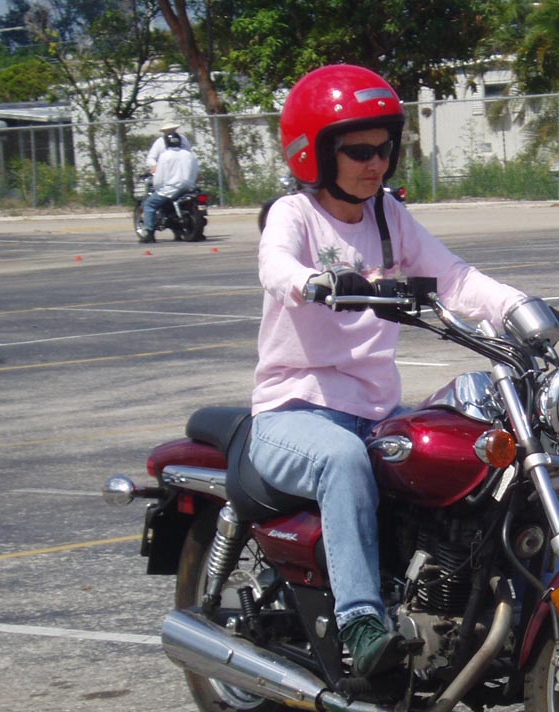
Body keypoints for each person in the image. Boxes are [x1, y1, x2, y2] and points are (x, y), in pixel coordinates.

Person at [251, 64, 528, 678]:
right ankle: (361, 624)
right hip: (292, 411)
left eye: (384, 149)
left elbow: (453, 277)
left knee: (468, 447)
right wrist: (312, 282)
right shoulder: (295, 215)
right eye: (359, 151)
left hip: (373, 410)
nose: (375, 162)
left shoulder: (388, 216)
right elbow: (275, 264)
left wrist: (519, 308)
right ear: (315, 153)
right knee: (342, 460)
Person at [138, 131, 200, 242]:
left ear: (166, 142)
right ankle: (179, 231)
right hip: (189, 187)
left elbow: (160, 177)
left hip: (170, 189)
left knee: (149, 204)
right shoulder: (189, 154)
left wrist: (157, 187)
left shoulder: (165, 156)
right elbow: (196, 170)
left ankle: (149, 233)